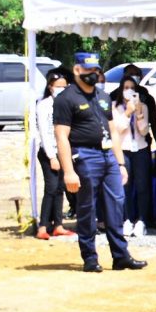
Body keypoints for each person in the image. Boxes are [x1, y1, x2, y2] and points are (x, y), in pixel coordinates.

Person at [53, 52, 146, 273]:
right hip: (84, 156)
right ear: (77, 70)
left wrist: (121, 163)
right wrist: (69, 172)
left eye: (95, 70)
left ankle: (121, 256)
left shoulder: (103, 97)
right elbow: (61, 137)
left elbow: (113, 131)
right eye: (88, 70)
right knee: (87, 209)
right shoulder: (66, 99)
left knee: (116, 206)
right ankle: (90, 258)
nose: (92, 74)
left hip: (108, 156)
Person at [33, 70, 75, 240]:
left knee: (60, 189)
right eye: (58, 87)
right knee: (50, 188)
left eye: (64, 87)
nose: (61, 89)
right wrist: (52, 156)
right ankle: (43, 225)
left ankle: (58, 224)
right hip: (49, 152)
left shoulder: (66, 104)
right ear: (50, 87)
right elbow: (43, 131)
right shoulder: (44, 105)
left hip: (63, 151)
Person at [112, 78, 152, 238]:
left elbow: (144, 132)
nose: (129, 90)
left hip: (140, 149)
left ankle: (142, 220)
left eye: (132, 88)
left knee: (143, 186)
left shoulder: (143, 106)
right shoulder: (115, 107)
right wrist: (128, 112)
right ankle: (126, 219)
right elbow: (118, 129)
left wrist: (139, 113)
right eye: (126, 87)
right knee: (125, 186)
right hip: (123, 149)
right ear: (121, 89)